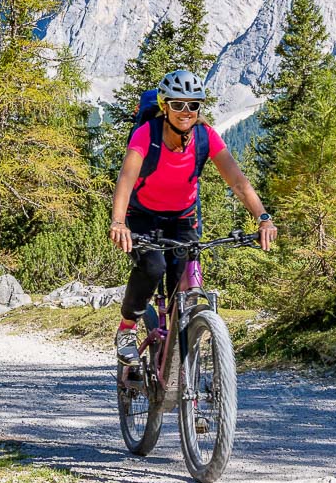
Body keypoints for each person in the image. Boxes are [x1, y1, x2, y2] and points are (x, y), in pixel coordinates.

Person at [109, 68, 275, 349]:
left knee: (183, 285)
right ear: (165, 106)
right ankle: (127, 327)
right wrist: (118, 223)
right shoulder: (146, 134)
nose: (185, 112)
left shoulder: (205, 135)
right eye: (177, 104)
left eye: (193, 105)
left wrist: (264, 218)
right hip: (142, 217)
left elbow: (238, 183)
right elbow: (126, 179)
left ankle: (179, 357)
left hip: (182, 219)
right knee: (153, 267)